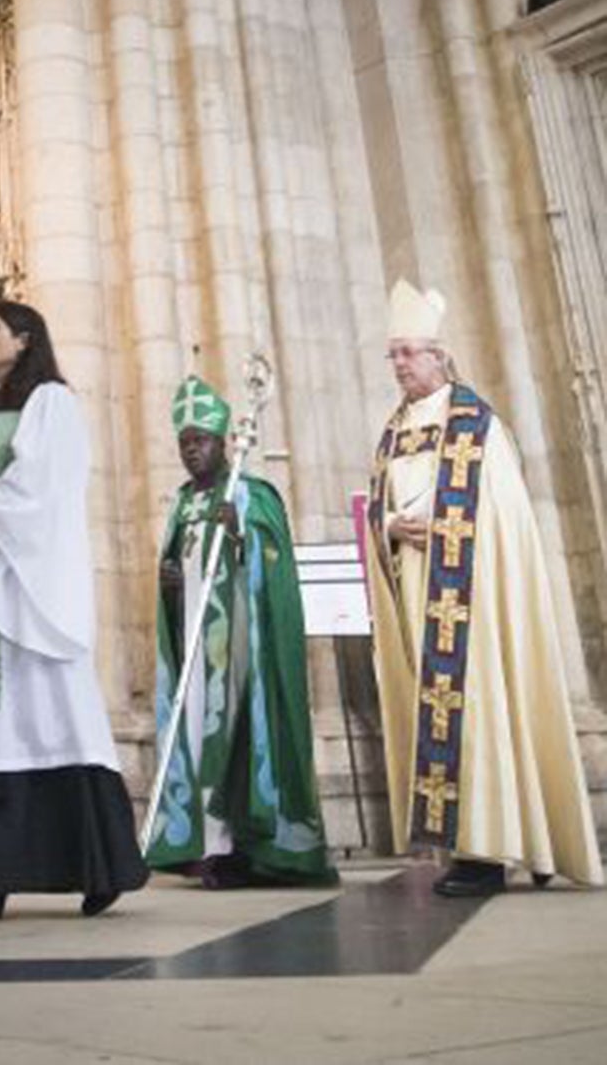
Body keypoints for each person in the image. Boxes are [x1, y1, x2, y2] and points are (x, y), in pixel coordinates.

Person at [0, 300, 147, 921]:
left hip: (25, 591)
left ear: (25, 336)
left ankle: (101, 863)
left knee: (53, 717)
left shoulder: (51, 403)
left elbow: (39, 484)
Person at [364, 280, 602, 896]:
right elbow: (376, 510)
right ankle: (486, 842)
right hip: (418, 596)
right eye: (392, 354)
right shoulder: (393, 431)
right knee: (443, 716)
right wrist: (390, 525)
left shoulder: (475, 424)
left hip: (473, 600)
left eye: (408, 353)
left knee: (483, 710)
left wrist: (443, 528)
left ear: (439, 356)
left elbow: (504, 516)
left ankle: (489, 852)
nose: (398, 365)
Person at [144, 376, 333, 888]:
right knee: (199, 742)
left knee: (240, 740)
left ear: (223, 442)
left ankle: (252, 848)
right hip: (195, 652)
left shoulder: (252, 494)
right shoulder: (183, 502)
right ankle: (207, 845)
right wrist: (170, 582)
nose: (191, 453)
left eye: (199, 442)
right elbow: (180, 563)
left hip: (243, 656)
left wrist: (242, 532)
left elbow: (276, 564)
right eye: (184, 444)